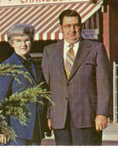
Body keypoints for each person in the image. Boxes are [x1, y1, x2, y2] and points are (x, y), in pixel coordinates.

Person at [42, 9, 111, 145]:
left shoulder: (95, 49)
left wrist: (102, 113)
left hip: (87, 118)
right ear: (60, 28)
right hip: (60, 118)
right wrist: (48, 116)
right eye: (67, 26)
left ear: (81, 26)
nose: (72, 30)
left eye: (76, 25)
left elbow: (104, 85)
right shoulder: (50, 52)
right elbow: (46, 87)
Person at [0, 23, 48, 145]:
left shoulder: (34, 65)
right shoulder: (7, 67)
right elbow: (0, 100)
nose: (23, 45)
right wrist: (2, 127)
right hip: (16, 130)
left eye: (26, 40)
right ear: (12, 43)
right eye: (18, 41)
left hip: (35, 128)